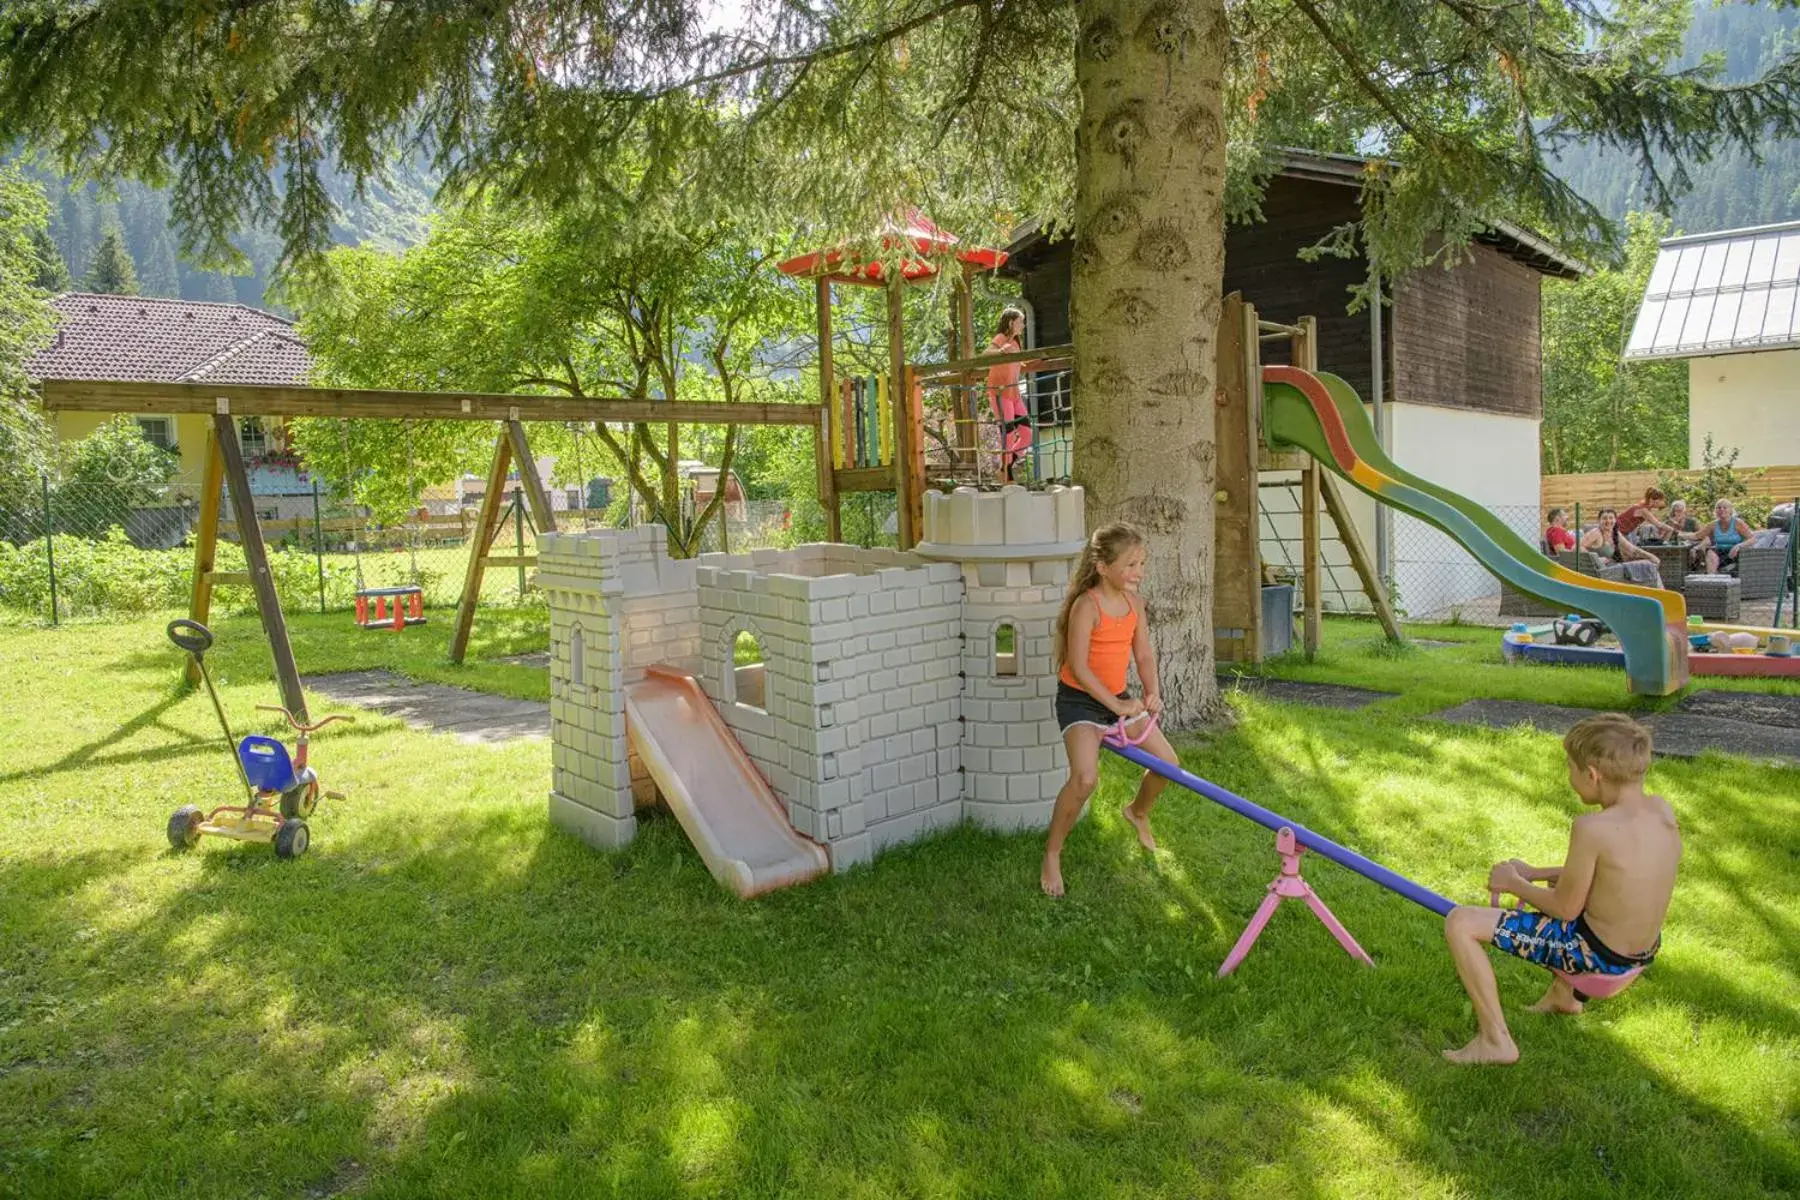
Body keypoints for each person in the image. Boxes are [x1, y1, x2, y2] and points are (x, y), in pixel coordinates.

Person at [1441, 713, 1680, 1066]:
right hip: (1640, 951)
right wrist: (1536, 873)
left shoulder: (1592, 828)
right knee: (1587, 909)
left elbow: (1564, 908)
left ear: (1593, 775)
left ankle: (1495, 1041)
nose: (1569, 776)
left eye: (1570, 767)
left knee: (1461, 922)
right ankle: (1565, 998)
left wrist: (1515, 884)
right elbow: (1617, 874)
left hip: (1596, 955)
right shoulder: (1660, 810)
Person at [1042, 522, 1181, 898]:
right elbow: (1081, 668)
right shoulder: (1086, 606)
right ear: (1103, 567)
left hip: (1117, 697)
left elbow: (1144, 654)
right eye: (1131, 565)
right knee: (1085, 779)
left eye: (1141, 563)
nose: (1139, 573)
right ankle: (1053, 852)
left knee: (1169, 764)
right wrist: (1117, 705)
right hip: (1081, 701)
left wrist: (1152, 692)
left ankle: (1137, 811)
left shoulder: (1135, 604)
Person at [984, 308, 1036, 483]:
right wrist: (1000, 351)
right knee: (1008, 433)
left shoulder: (1016, 343)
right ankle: (1007, 473)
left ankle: (1003, 467)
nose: (1023, 325)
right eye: (1021, 321)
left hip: (1014, 393)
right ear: (1011, 322)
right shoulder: (1002, 338)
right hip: (1000, 391)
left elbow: (1020, 362)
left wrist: (1036, 359)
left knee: (1027, 434)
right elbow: (985, 354)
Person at [1580, 508, 1662, 585]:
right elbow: (1576, 547)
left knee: (1649, 565)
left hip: (1612, 570)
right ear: (1599, 520)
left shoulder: (1615, 533)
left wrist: (1651, 556)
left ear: (1615, 520)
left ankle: (1657, 592)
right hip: (1603, 573)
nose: (1608, 521)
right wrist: (1595, 558)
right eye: (1604, 518)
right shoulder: (1596, 533)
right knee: (1648, 566)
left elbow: (1632, 549)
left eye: (1611, 518)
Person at [1698, 498, 1754, 575]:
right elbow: (1703, 537)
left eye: (1725, 507)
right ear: (1716, 511)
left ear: (1730, 510)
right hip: (1719, 551)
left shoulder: (1738, 522)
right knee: (1710, 553)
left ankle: (1724, 575)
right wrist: (1697, 547)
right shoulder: (1713, 524)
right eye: (1719, 507)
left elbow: (1752, 538)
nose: (1721, 509)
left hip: (1736, 552)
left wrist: (1739, 545)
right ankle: (1712, 580)